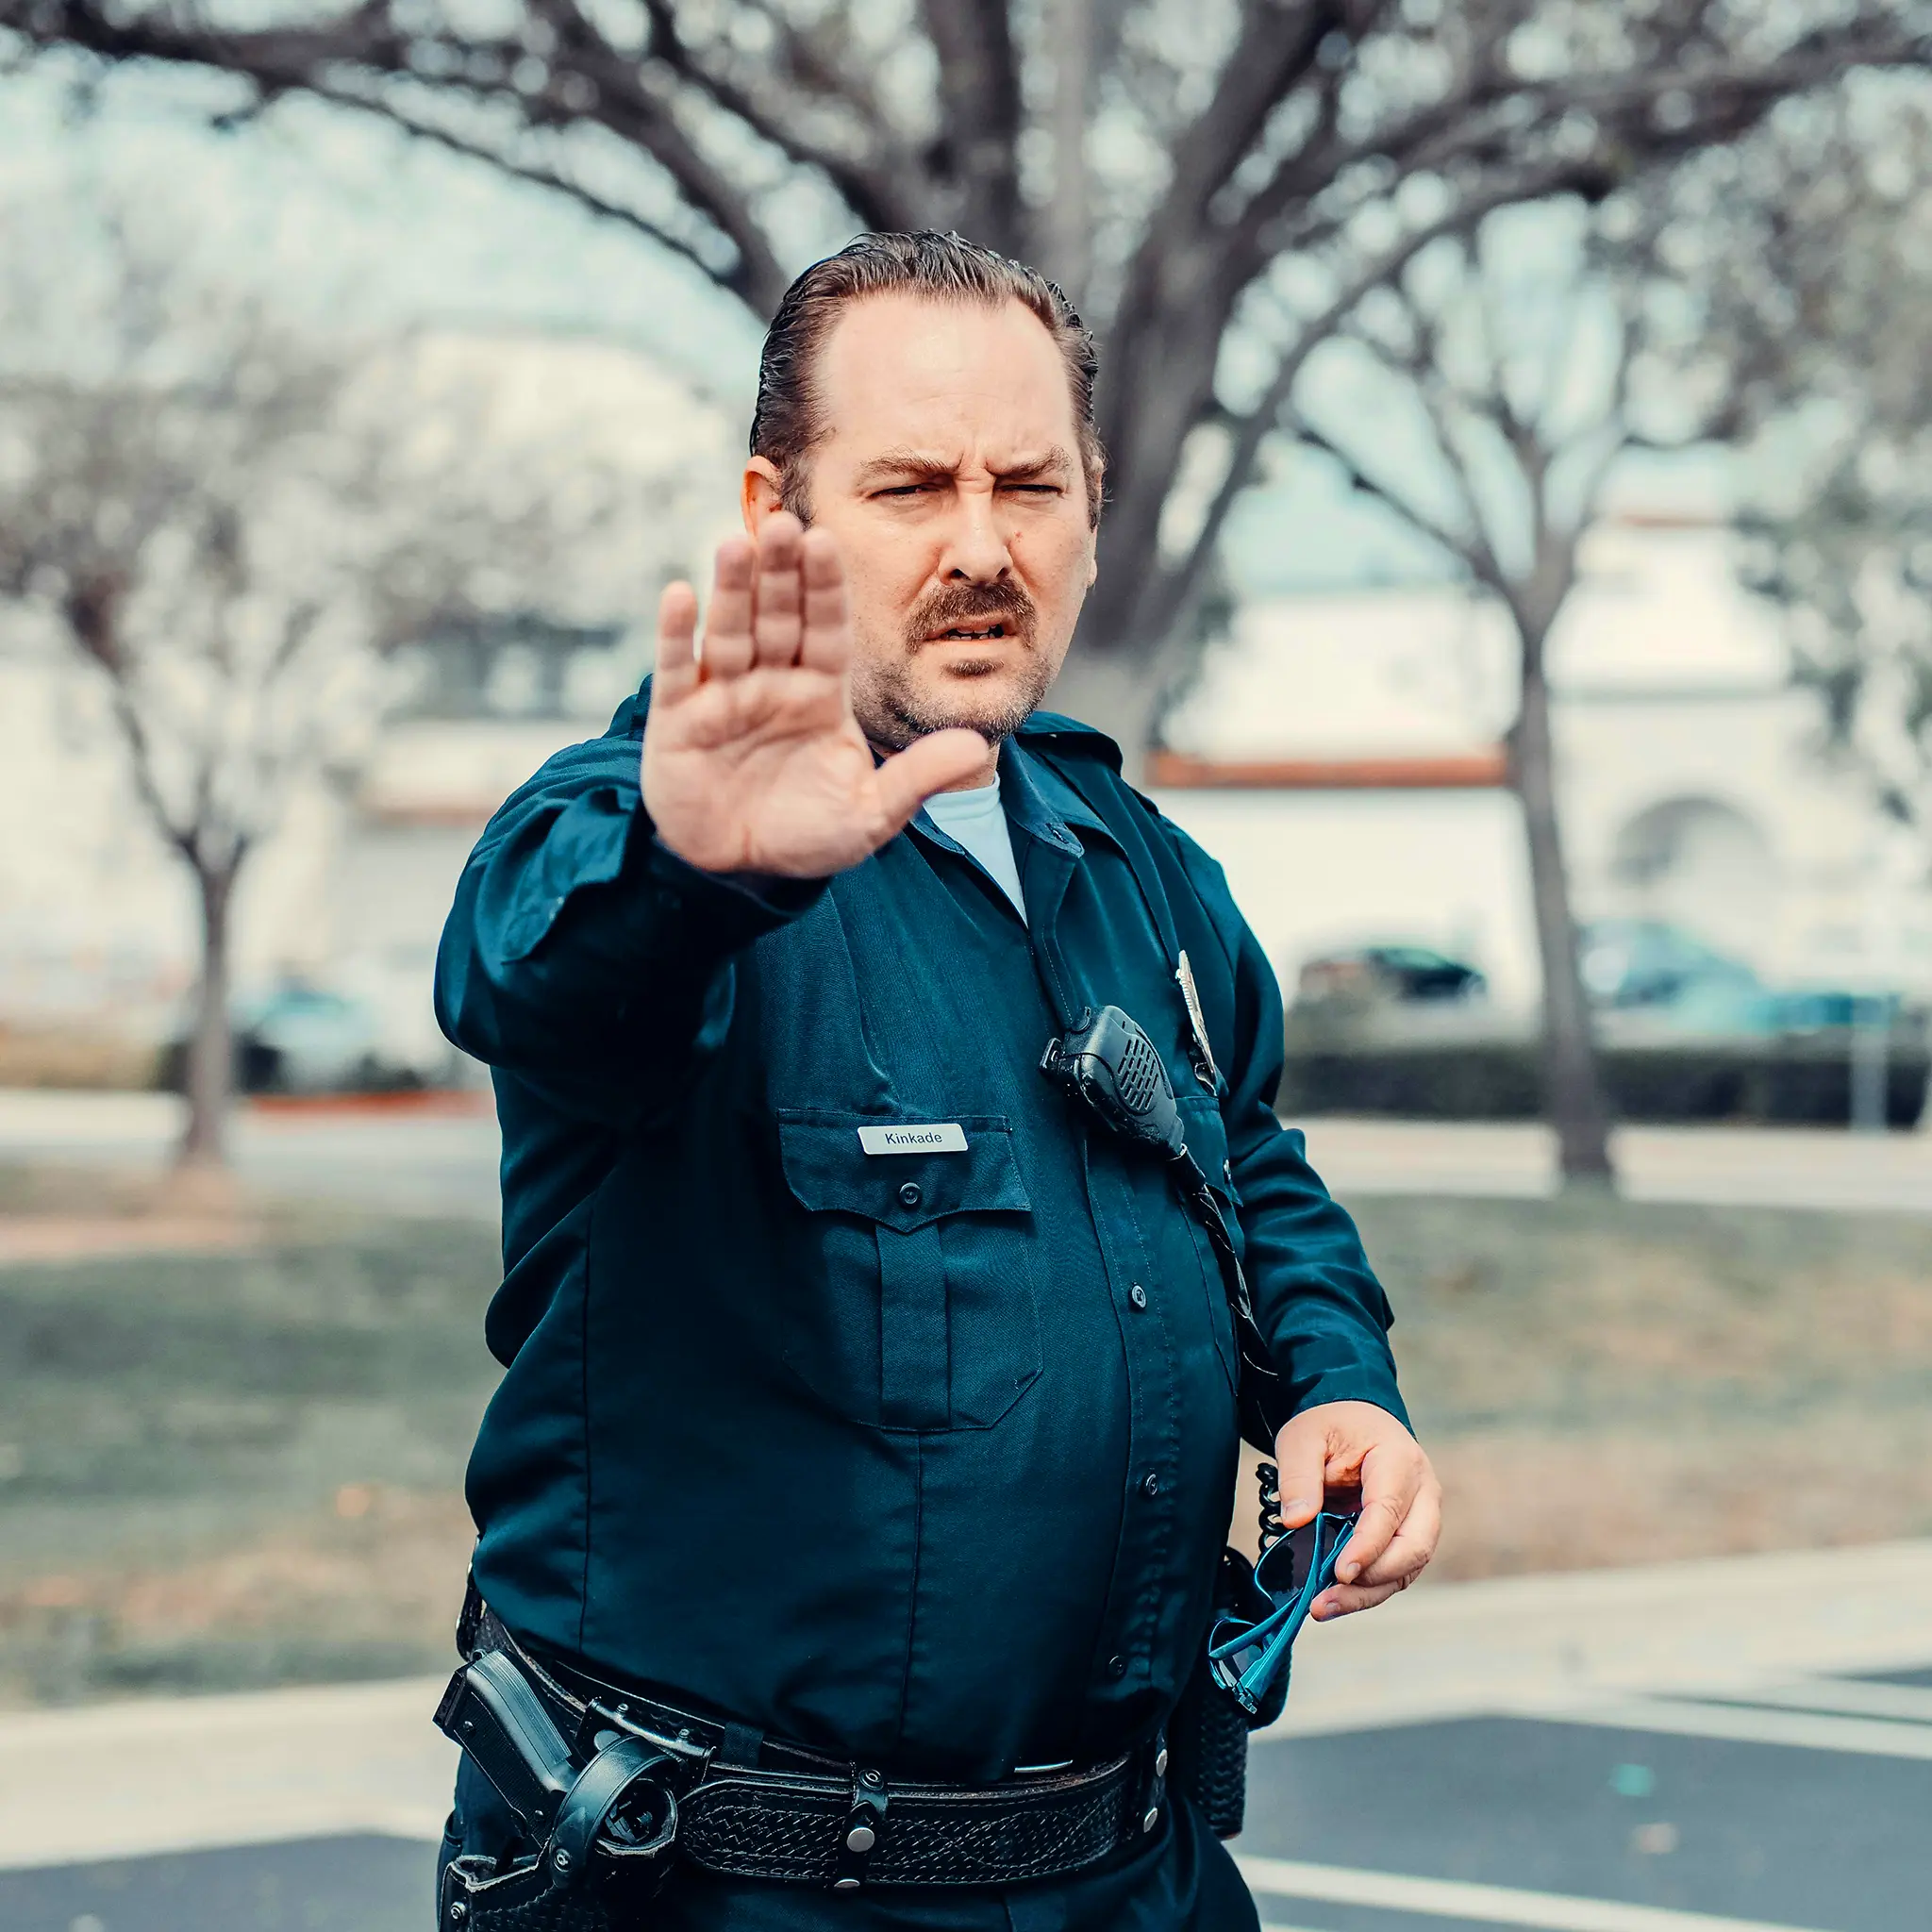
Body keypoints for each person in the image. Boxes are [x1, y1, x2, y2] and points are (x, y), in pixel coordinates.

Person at [433, 229, 1441, 1931]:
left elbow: (1245, 1155)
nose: (984, 547)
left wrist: (1338, 1383)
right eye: (909, 487)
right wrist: (699, 870)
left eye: (1029, 486)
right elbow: (535, 981)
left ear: (1094, 503)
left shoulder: (1140, 866)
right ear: (779, 515)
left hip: (1132, 1872)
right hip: (719, 1888)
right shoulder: (650, 824)